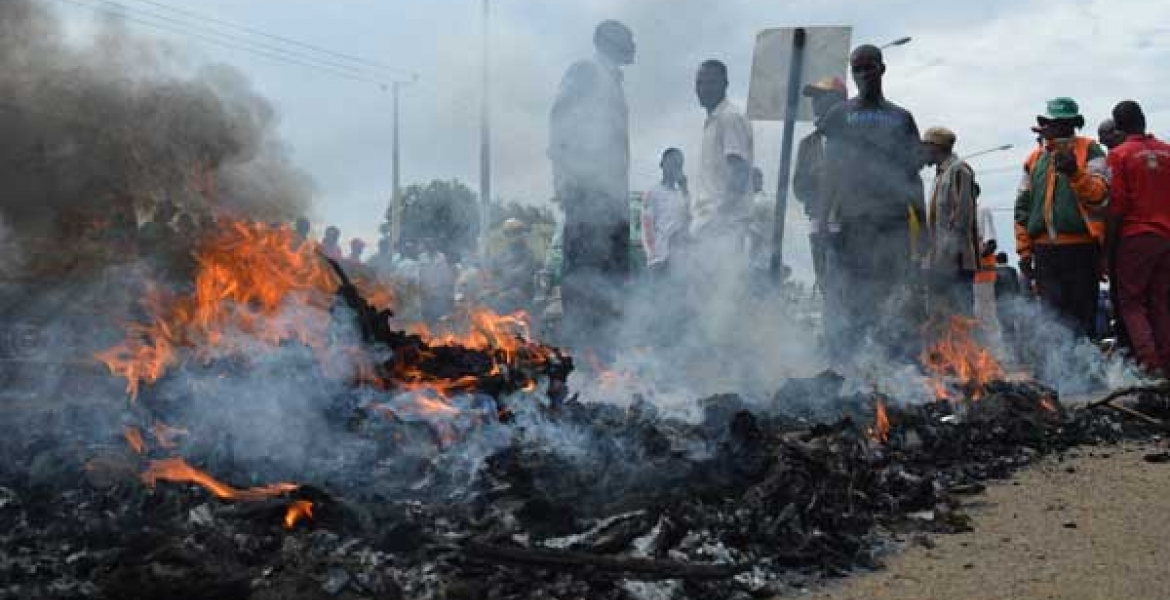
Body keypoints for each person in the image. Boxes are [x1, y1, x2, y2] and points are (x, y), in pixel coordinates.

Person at [818, 44, 924, 363]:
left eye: (869, 67)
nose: (864, 74)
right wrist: (824, 220)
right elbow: (831, 171)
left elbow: (912, 176)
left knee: (894, 297)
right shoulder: (839, 116)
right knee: (853, 299)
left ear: (882, 69)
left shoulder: (902, 118)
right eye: (857, 69)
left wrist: (924, 225)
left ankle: (897, 370)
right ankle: (857, 370)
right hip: (854, 222)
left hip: (894, 224)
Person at [548, 20, 634, 357]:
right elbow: (559, 123)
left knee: (612, 283)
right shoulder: (585, 72)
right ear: (605, 40)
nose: (634, 42)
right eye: (628, 36)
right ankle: (582, 359)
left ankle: (606, 361)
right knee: (584, 279)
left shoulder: (615, 82)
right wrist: (565, 182)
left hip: (613, 202)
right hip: (588, 195)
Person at [1013, 97, 1108, 338]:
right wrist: (1024, 252)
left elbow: (1099, 195)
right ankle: (1058, 374)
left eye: (1051, 123)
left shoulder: (1090, 149)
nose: (1046, 129)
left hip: (1081, 249)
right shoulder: (1034, 159)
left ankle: (1085, 371)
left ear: (1069, 125)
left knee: (1082, 316)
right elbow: (1022, 208)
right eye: (1045, 123)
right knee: (1051, 319)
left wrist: (1075, 173)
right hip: (1045, 252)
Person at [1106, 100, 1170, 376]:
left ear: (1118, 126)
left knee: (1132, 303)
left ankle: (1150, 365)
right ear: (1144, 120)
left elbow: (1117, 204)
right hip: (1166, 237)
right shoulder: (1167, 152)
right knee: (1160, 301)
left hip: (1135, 237)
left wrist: (1107, 246)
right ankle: (1165, 363)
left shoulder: (1119, 155)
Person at [794, 76, 848, 292]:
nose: (815, 102)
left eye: (820, 96)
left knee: (852, 291)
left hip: (851, 226)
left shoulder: (856, 140)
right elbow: (798, 188)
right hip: (820, 227)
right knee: (827, 289)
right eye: (813, 98)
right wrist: (816, 177)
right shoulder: (808, 144)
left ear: (839, 101)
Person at [921, 126, 978, 317]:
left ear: (936, 147)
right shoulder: (940, 174)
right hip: (939, 261)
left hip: (955, 262)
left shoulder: (959, 170)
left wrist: (947, 257)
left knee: (960, 317)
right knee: (941, 317)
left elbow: (962, 217)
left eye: (925, 147)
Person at [641, 148, 690, 276]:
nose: (675, 168)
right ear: (662, 164)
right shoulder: (653, 193)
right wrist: (653, 258)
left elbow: (687, 222)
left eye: (679, 164)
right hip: (661, 260)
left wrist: (685, 190)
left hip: (680, 261)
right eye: (672, 163)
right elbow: (647, 228)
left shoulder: (682, 195)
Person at [486, 219, 538, 316]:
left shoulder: (529, 256)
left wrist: (504, 293)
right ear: (506, 234)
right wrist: (492, 290)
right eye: (509, 232)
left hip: (522, 300)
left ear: (523, 233)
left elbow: (523, 281)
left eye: (517, 232)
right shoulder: (500, 256)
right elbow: (492, 277)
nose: (514, 235)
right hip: (502, 298)